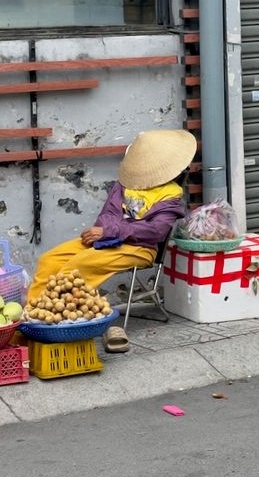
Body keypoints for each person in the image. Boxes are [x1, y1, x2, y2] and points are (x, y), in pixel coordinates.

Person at [26, 128, 196, 351]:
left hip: (140, 248)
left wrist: (108, 231)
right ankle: (31, 316)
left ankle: (54, 319)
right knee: (50, 260)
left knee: (78, 266)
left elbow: (155, 231)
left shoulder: (171, 195)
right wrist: (104, 231)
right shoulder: (126, 183)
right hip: (109, 239)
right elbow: (108, 214)